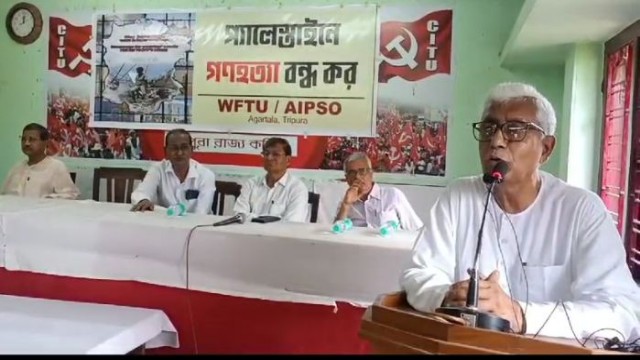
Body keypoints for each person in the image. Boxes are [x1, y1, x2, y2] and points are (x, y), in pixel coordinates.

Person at [401, 82, 640, 339]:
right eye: (488, 128)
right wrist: (447, 295)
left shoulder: (582, 210)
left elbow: (621, 311)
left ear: (546, 149)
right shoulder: (457, 197)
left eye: (514, 130)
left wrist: (519, 314)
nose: (496, 141)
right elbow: (419, 273)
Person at [130, 129, 216, 214]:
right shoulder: (158, 169)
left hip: (196, 225)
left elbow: (201, 212)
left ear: (191, 150)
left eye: (184, 147)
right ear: (165, 151)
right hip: (164, 223)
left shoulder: (206, 175)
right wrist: (144, 200)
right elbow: (141, 192)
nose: (179, 153)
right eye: (174, 148)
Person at [335, 152, 423, 231]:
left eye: (362, 171)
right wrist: (346, 205)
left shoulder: (392, 195)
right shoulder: (346, 201)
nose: (357, 177)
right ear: (347, 179)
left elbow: (416, 230)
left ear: (371, 173)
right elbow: (335, 235)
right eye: (352, 173)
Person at [233, 137, 309, 222]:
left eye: (275, 154)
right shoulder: (251, 183)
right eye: (266, 153)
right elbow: (239, 215)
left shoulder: (297, 188)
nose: (269, 158)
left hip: (280, 235)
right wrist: (268, 220)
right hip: (249, 233)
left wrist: (253, 218)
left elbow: (292, 223)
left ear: (288, 160)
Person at [2, 123, 79, 199]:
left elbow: (70, 195)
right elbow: (3, 195)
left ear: (46, 143)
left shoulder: (56, 167)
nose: (26, 143)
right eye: (23, 139)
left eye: (32, 140)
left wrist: (46, 201)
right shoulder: (17, 167)